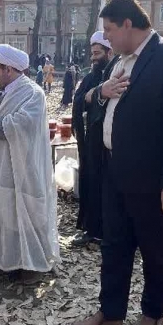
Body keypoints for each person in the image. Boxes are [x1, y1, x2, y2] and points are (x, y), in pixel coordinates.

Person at [69, 0, 163, 325]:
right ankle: (111, 312)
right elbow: (102, 104)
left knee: (157, 249)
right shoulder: (120, 63)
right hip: (115, 172)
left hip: (154, 180)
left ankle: (153, 314)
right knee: (114, 245)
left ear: (128, 24)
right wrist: (100, 91)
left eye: (110, 30)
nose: (106, 38)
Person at [0, 44, 60, 284]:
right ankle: (5, 259)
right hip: (0, 166)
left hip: (25, 167)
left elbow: (23, 123)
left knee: (28, 211)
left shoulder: (33, 94)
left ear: (9, 69)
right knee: (3, 210)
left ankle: (32, 264)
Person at [70, 32, 113, 247]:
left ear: (109, 52)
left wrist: (92, 97)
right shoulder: (89, 77)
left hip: (110, 147)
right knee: (91, 185)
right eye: (92, 53)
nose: (93, 58)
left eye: (97, 53)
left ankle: (108, 233)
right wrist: (89, 97)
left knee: (108, 190)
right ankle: (91, 229)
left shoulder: (116, 74)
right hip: (90, 144)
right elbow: (78, 101)